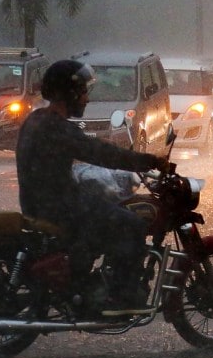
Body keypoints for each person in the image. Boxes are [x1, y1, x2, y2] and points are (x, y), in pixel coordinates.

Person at [15, 59, 168, 316]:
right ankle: (122, 298)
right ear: (70, 93)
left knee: (106, 210)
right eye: (83, 92)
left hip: (43, 201)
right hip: (58, 205)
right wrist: (148, 161)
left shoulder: (37, 119)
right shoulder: (55, 127)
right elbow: (98, 152)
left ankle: (88, 280)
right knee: (132, 224)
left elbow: (84, 153)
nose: (86, 99)